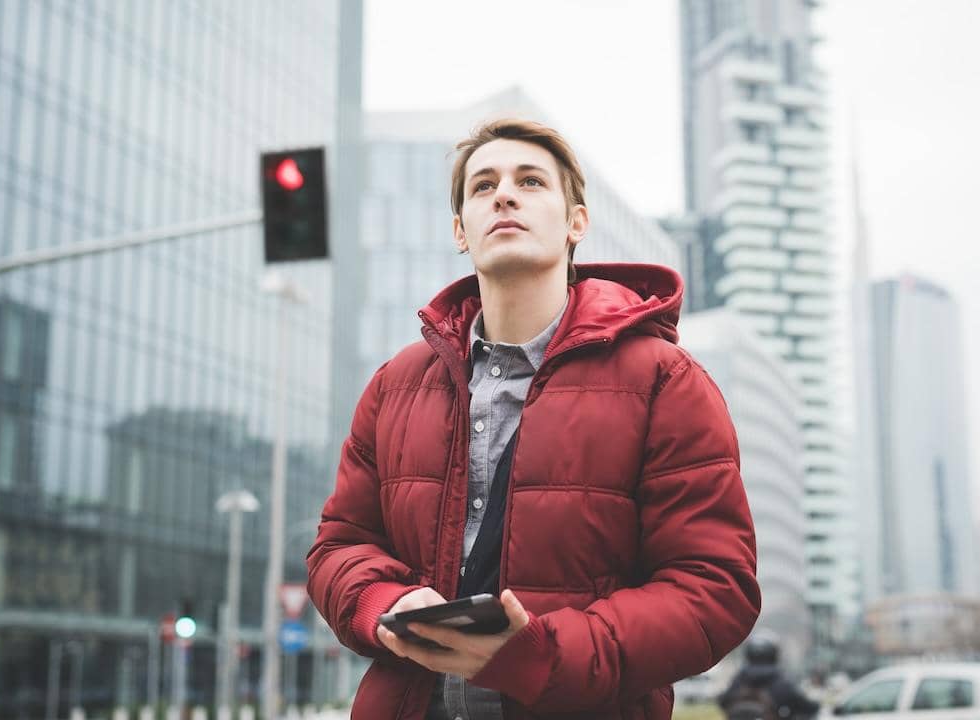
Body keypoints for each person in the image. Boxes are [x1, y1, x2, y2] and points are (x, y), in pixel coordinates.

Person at [306, 118, 761, 719]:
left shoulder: (665, 381)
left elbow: (713, 588)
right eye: (483, 185)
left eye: (531, 181)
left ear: (576, 223)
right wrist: (386, 604)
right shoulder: (395, 386)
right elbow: (338, 548)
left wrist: (540, 654)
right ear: (460, 230)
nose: (504, 194)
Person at [716, 632, 820, 720]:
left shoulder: (739, 680)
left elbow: (723, 701)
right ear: (774, 654)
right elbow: (808, 707)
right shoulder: (782, 683)